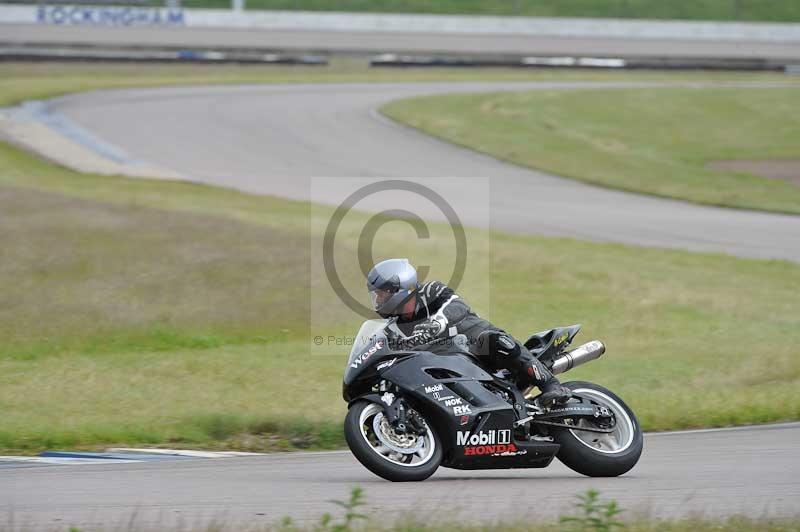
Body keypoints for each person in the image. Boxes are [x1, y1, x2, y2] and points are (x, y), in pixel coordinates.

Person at [366, 258, 571, 406]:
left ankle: (551, 385)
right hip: (449, 366)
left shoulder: (430, 291)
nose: (379, 300)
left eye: (382, 294)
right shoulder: (394, 327)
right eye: (377, 295)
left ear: (400, 289)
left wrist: (437, 322)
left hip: (476, 344)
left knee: (496, 341)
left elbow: (457, 305)